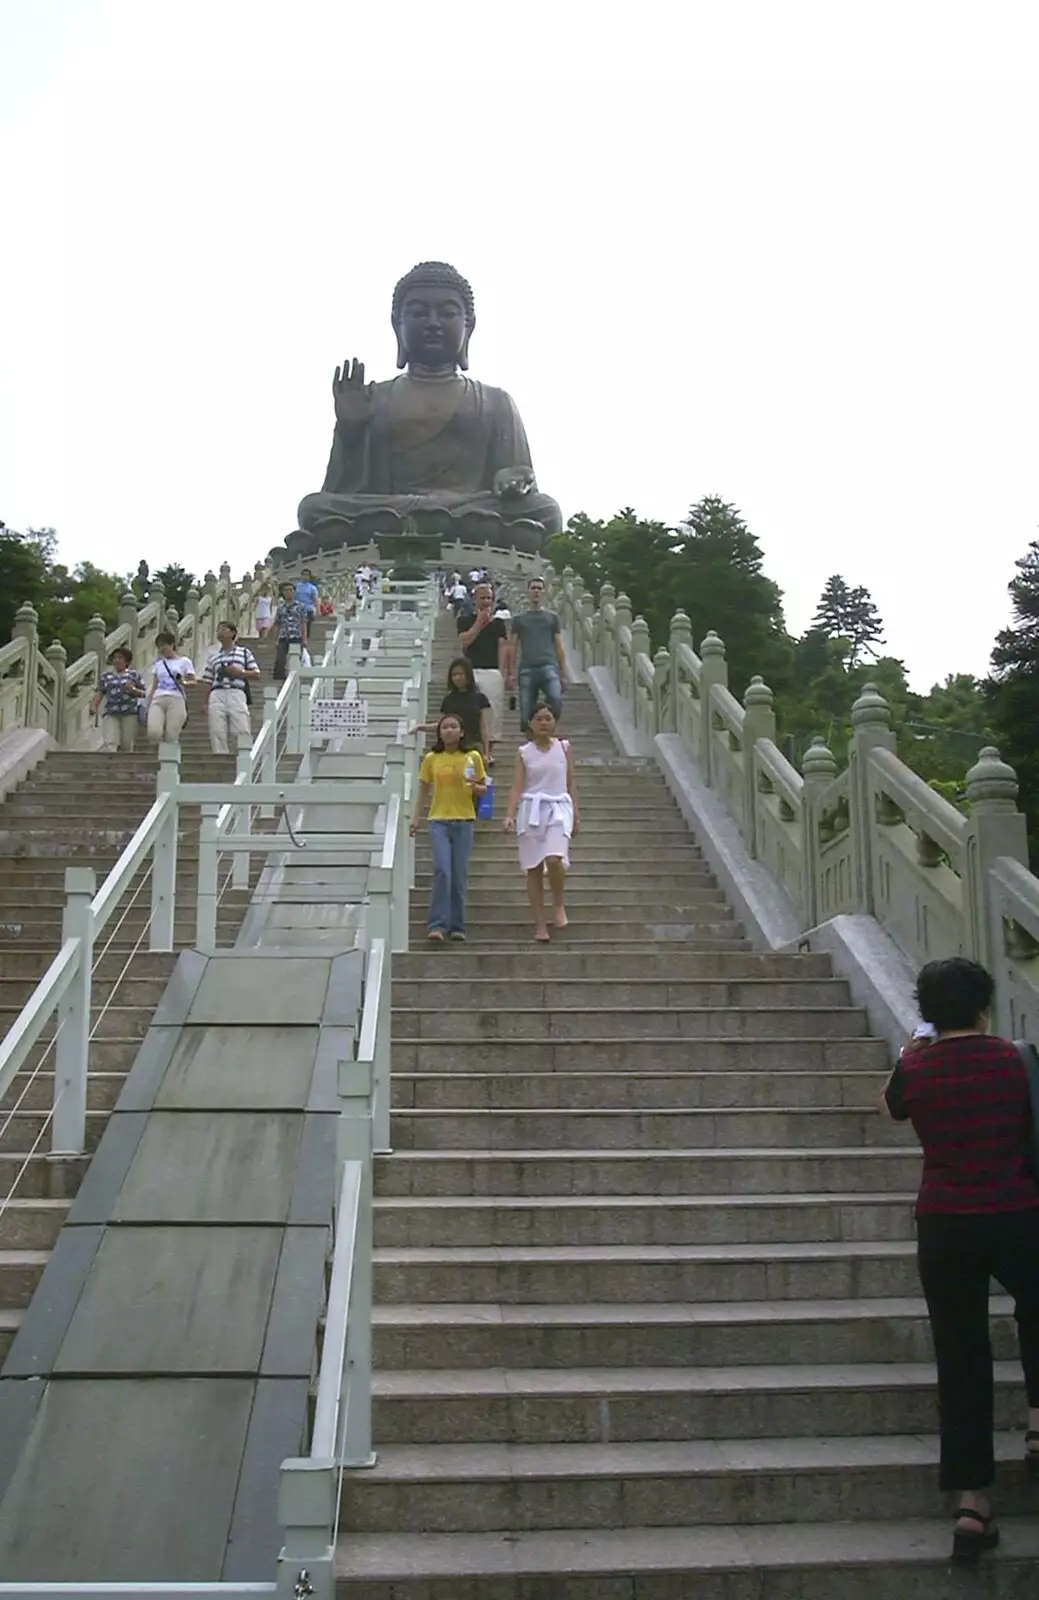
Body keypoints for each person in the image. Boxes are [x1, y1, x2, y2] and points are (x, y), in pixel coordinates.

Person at [881, 957, 1039, 1567]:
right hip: (1018, 1211)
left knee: (961, 1353)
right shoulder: (1014, 1059)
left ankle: (973, 1501)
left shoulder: (915, 1068)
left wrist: (906, 1052)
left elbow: (889, 1108)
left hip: (945, 1222)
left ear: (925, 1010)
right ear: (983, 1004)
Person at [503, 704, 579, 941]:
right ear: (530, 724)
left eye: (548, 718)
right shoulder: (524, 752)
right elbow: (517, 786)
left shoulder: (564, 748)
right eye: (539, 719)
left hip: (558, 808)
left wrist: (576, 814)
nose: (544, 723)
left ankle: (558, 904)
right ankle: (540, 925)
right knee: (534, 868)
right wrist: (509, 814)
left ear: (554, 722)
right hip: (532, 809)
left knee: (555, 859)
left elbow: (571, 783)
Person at [410, 713, 487, 943]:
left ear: (462, 732)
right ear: (439, 732)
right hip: (439, 820)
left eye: (454, 726)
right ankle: (437, 925)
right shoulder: (432, 758)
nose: (449, 731)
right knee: (443, 870)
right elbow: (423, 790)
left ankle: (457, 925)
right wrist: (416, 817)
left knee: (458, 874)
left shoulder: (473, 756)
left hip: (464, 820)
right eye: (445, 727)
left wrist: (474, 787)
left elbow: (483, 788)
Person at [507, 575, 568, 731]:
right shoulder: (519, 619)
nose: (536, 592)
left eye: (539, 589)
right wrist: (511, 673)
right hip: (527, 668)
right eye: (533, 588)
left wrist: (563, 672)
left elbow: (559, 644)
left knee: (555, 699)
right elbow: (512, 646)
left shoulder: (552, 618)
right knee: (525, 715)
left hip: (549, 666)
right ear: (527, 592)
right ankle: (532, 744)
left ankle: (545, 729)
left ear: (544, 592)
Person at [457, 583, 508, 752]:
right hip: (470, 670)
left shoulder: (499, 624)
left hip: (492, 670)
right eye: (482, 598)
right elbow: (465, 641)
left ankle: (488, 752)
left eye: (489, 598)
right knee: (468, 709)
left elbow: (502, 647)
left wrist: (502, 672)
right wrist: (479, 622)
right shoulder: (464, 620)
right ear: (474, 599)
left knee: (492, 712)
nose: (486, 601)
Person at [415, 658, 492, 767]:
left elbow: (484, 728)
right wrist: (420, 727)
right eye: (454, 675)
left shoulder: (480, 699)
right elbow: (441, 725)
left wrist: (486, 753)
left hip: (474, 747)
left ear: (468, 676)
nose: (457, 678)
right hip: (453, 748)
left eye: (461, 674)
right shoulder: (448, 700)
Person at [203, 621, 261, 754]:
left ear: (233, 633)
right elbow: (207, 681)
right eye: (218, 630)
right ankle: (220, 757)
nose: (220, 632)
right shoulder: (213, 657)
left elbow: (257, 674)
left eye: (223, 629)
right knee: (216, 730)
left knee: (241, 728)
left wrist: (240, 672)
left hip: (236, 691)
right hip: (216, 693)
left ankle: (243, 756)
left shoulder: (244, 653)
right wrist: (204, 702)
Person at [91, 646, 146, 751]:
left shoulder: (134, 675)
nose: (117, 660)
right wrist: (94, 705)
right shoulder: (106, 676)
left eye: (120, 658)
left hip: (130, 712)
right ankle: (110, 763)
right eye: (115, 658)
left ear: (127, 661)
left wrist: (133, 690)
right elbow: (100, 692)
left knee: (127, 743)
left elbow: (144, 694)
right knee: (110, 742)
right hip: (111, 712)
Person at [145, 631, 196, 743]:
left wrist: (183, 682)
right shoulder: (159, 664)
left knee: (172, 734)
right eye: (159, 646)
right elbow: (154, 685)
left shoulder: (184, 661)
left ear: (172, 644)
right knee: (153, 732)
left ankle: (169, 758)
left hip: (176, 698)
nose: (162, 648)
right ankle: (160, 752)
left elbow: (193, 682)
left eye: (164, 645)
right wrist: (148, 702)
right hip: (158, 698)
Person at [271, 580, 309, 681]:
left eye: (291, 590)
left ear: (294, 592)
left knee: (298, 658)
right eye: (286, 590)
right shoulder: (280, 608)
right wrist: (275, 639)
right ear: (283, 593)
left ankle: (298, 678)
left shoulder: (301, 607)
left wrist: (305, 639)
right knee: (280, 660)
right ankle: (279, 679)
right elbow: (277, 623)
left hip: (296, 636)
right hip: (283, 636)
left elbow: (303, 623)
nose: (289, 592)